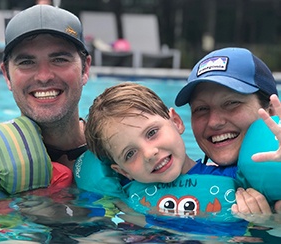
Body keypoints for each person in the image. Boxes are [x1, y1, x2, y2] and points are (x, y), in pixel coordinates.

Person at [174, 47, 281, 214]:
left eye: (232, 103)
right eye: (201, 108)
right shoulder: (186, 178)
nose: (214, 122)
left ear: (271, 111)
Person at [84, 82, 237, 186]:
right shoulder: (124, 199)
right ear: (123, 171)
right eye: (130, 154)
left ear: (176, 122)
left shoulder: (232, 180)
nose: (149, 153)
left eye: (152, 133)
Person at [0, 4, 91, 170]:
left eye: (60, 60)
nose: (44, 76)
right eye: (27, 62)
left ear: (85, 69)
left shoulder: (120, 152)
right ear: (7, 75)